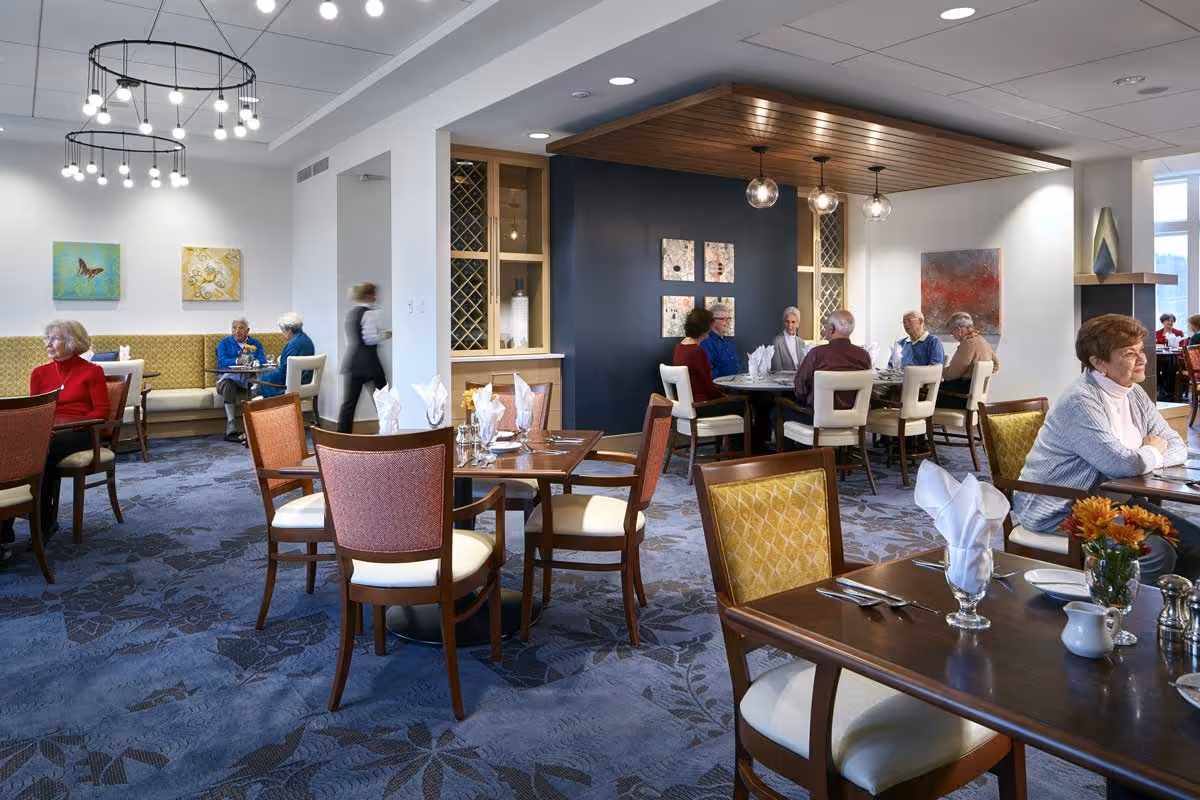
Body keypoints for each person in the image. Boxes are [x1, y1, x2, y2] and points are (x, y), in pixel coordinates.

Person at [1015, 314, 1200, 584]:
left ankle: (1170, 614)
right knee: (1156, 553)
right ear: (1098, 362)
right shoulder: (1080, 402)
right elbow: (1123, 465)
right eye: (1129, 353)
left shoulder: (1132, 392)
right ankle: (1126, 618)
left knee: (1195, 543)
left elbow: (1176, 446)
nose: (1143, 360)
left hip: (1115, 502)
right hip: (1061, 507)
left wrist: (1147, 455)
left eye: (1140, 351)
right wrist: (1148, 453)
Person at [2, 321, 111, 562]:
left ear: (72, 342)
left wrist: (65, 426)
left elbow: (101, 412)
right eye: (47, 338)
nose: (47, 344)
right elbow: (35, 410)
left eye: (54, 339)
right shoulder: (39, 373)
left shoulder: (92, 372)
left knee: (42, 452)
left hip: (81, 432)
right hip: (48, 434)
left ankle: (42, 522)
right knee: (13, 453)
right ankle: (8, 526)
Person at [789, 309, 872, 425]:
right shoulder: (864, 356)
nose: (825, 328)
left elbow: (800, 388)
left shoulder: (816, 354)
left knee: (777, 412)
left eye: (826, 325)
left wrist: (806, 402)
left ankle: (811, 442)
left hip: (819, 419)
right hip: (852, 419)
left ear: (832, 329)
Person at [338, 282, 391, 433]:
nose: (376, 296)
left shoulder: (351, 313)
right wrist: (386, 334)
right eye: (374, 294)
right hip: (370, 364)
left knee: (349, 404)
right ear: (369, 296)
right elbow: (370, 339)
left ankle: (342, 437)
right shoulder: (371, 313)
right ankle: (389, 431)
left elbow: (353, 339)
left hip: (353, 363)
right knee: (384, 400)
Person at [215, 318, 265, 442]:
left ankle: (255, 426)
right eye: (234, 328)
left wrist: (254, 361)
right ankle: (231, 424)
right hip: (228, 379)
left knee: (258, 385)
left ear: (247, 330)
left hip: (248, 379)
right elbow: (222, 362)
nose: (237, 331)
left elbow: (263, 360)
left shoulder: (255, 343)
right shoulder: (224, 343)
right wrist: (237, 360)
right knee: (228, 385)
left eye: (241, 328)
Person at [938, 311, 1000, 408]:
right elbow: (996, 366)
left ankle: (928, 423)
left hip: (963, 397)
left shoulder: (968, 343)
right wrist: (976, 376)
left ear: (959, 330)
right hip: (975, 396)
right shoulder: (982, 340)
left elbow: (952, 374)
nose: (953, 336)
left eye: (952, 333)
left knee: (925, 395)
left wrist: (937, 371)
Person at [673, 308, 725, 407]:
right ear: (704, 330)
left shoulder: (678, 348)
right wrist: (724, 397)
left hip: (683, 405)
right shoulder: (698, 352)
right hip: (701, 405)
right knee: (742, 404)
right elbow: (708, 386)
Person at [257, 312, 315, 399]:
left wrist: (262, 379)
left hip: (293, 388)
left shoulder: (293, 345)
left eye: (282, 330)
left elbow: (284, 372)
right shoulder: (306, 340)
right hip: (305, 383)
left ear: (289, 330)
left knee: (260, 382)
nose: (282, 333)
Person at [700, 303, 738, 379]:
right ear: (712, 321)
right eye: (723, 319)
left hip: (736, 384)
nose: (727, 322)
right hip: (721, 387)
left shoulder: (728, 342)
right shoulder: (706, 343)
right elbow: (709, 372)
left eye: (728, 318)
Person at [771, 306, 806, 372]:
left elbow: (804, 366)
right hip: (783, 381)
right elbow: (777, 369)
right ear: (784, 322)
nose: (790, 325)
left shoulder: (801, 342)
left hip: (800, 380)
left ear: (798, 324)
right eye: (787, 321)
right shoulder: (777, 341)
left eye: (793, 322)